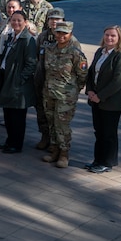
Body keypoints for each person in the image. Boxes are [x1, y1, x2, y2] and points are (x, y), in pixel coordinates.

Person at [41, 21, 88, 169]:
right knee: (51, 122)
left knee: (62, 125)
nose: (61, 36)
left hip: (66, 96)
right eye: (59, 32)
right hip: (49, 93)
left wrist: (73, 91)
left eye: (64, 33)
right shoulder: (49, 49)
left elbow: (83, 76)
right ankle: (54, 149)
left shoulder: (76, 53)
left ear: (70, 34)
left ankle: (64, 153)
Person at [85, 25, 121, 173]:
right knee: (98, 131)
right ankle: (97, 160)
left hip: (111, 102)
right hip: (96, 99)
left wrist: (100, 96)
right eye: (107, 35)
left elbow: (117, 81)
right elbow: (91, 72)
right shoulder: (100, 52)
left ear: (119, 38)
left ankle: (107, 162)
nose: (109, 38)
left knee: (108, 133)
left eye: (113, 36)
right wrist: (90, 91)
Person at [0, 10, 38, 154]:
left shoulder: (28, 40)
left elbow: (31, 64)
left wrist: (19, 80)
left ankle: (16, 144)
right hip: (7, 78)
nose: (16, 23)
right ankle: (9, 140)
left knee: (17, 117)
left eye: (19, 20)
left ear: (25, 22)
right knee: (8, 114)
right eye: (13, 20)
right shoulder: (12, 36)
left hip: (18, 84)